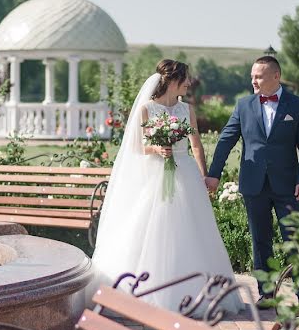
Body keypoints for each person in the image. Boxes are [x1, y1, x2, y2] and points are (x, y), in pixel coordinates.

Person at [91, 59, 243, 314]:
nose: (188, 83)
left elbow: (195, 145)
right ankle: (148, 294)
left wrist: (204, 175)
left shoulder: (187, 109)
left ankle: (197, 293)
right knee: (155, 228)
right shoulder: (147, 109)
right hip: (156, 176)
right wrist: (157, 148)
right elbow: (138, 147)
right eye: (184, 79)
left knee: (194, 231)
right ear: (172, 80)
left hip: (186, 175)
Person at [205, 56, 299, 307]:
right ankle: (266, 293)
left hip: (288, 185)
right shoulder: (243, 106)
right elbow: (225, 140)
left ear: (275, 76)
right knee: (260, 239)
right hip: (254, 184)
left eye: (258, 76)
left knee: (294, 238)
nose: (253, 80)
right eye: (252, 76)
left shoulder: (297, 105)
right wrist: (214, 173)